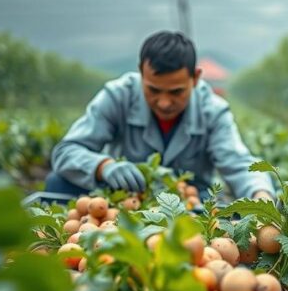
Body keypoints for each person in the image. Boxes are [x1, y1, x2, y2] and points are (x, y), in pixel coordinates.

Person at [48, 31, 274, 201]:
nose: (164, 103)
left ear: (195, 78)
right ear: (141, 72)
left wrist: (260, 195)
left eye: (176, 92)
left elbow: (238, 163)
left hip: (190, 202)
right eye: (153, 90)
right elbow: (66, 152)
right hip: (129, 198)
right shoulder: (118, 96)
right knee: (57, 183)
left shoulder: (212, 110)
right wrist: (103, 166)